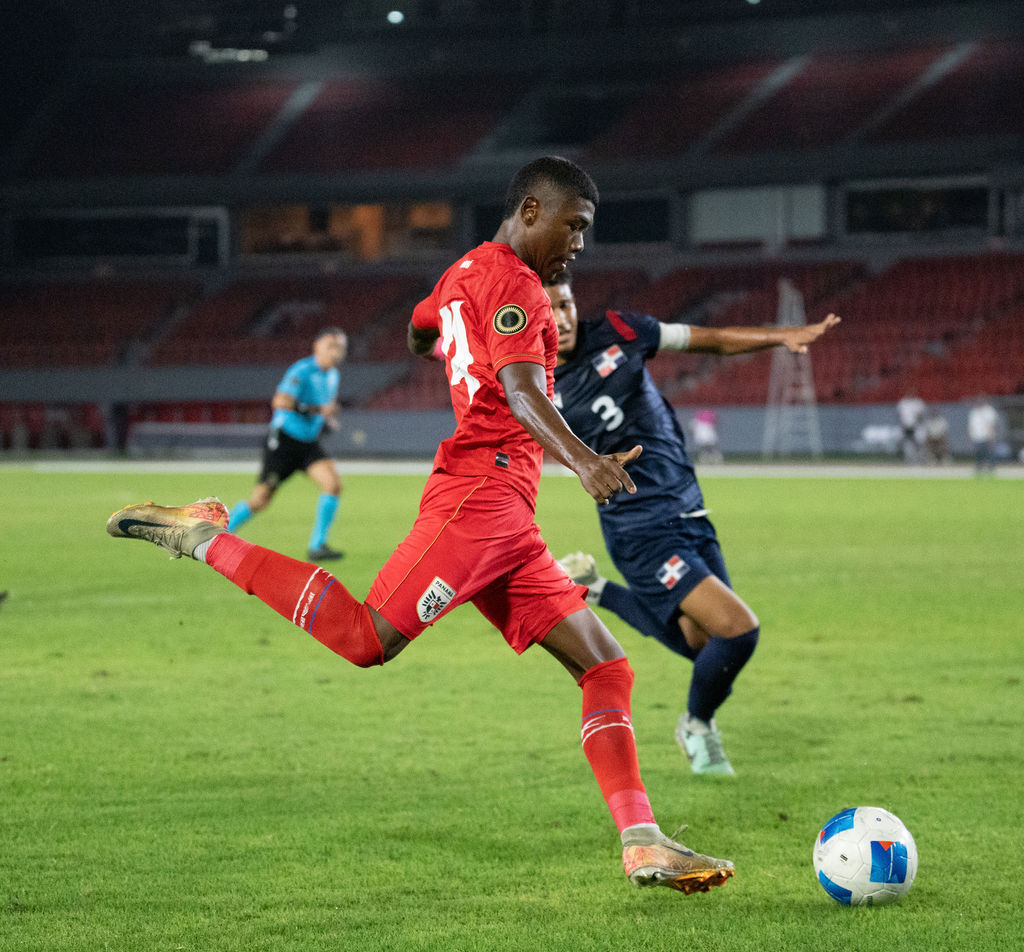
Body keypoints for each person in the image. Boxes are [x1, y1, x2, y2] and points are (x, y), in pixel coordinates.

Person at [106, 156, 733, 896]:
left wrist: (437, 345)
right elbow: (522, 387)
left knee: (607, 667)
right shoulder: (520, 286)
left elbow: (418, 327)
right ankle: (203, 536)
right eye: (576, 227)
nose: (580, 245)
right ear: (532, 211)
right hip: (480, 498)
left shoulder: (463, 272)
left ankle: (642, 842)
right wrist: (585, 460)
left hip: (507, 516)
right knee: (367, 638)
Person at [547, 271, 840, 774]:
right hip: (638, 526)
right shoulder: (534, 384)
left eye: (567, 305)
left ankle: (595, 590)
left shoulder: (620, 329)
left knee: (703, 644)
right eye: (549, 310)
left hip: (688, 506)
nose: (563, 318)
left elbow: (709, 340)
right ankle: (697, 725)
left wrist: (779, 336)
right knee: (738, 631)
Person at [228, 328, 347, 562]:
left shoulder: (333, 375)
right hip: (284, 441)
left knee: (332, 484)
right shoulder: (301, 370)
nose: (335, 352)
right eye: (330, 346)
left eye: (340, 348)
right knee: (261, 499)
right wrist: (316, 410)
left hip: (308, 443)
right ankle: (216, 534)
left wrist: (328, 418)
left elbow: (326, 405)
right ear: (317, 347)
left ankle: (317, 546)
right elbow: (280, 401)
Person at [967, 395, 1000, 475]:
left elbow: (991, 423)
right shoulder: (974, 411)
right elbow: (971, 424)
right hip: (977, 435)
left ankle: (991, 468)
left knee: (989, 452)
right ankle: (979, 468)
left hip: (987, 435)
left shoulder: (989, 410)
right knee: (978, 453)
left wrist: (991, 435)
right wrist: (970, 435)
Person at [896, 391, 927, 465]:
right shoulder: (903, 402)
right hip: (905, 426)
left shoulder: (918, 403)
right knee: (903, 443)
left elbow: (922, 415)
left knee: (919, 443)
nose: (910, 394)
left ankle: (920, 459)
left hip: (916, 426)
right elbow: (899, 415)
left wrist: (917, 424)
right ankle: (905, 459)